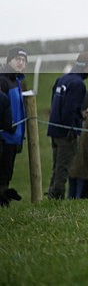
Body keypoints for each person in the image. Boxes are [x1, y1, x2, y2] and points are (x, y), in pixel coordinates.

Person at [46, 51, 88, 199]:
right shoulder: (78, 84)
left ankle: (51, 197)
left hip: (54, 129)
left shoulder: (62, 79)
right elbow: (69, 110)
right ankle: (57, 199)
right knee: (63, 169)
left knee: (56, 168)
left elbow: (57, 104)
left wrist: (79, 113)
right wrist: (73, 130)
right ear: (87, 67)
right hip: (67, 133)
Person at [0, 47, 28, 206]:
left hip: (14, 138)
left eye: (23, 60)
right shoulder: (3, 80)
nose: (21, 62)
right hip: (4, 137)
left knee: (6, 175)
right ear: (9, 60)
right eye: (18, 59)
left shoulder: (17, 80)